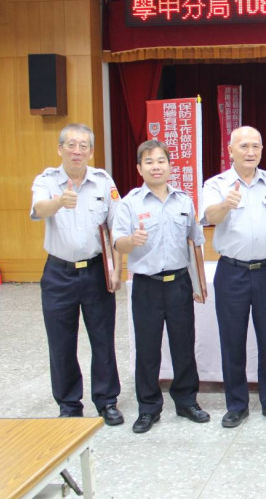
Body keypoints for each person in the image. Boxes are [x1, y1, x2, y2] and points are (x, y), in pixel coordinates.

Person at [201, 126, 266, 428]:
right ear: (230, 150)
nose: (250, 151)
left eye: (256, 146)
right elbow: (209, 217)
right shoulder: (216, 184)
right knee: (232, 341)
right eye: (243, 146)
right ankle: (236, 405)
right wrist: (225, 204)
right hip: (231, 272)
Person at [113, 139, 209, 433]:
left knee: (184, 345)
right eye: (149, 162)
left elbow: (195, 243)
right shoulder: (129, 203)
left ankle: (186, 401)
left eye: (161, 161)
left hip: (179, 283)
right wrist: (132, 241)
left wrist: (198, 284)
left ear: (169, 166)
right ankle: (148, 408)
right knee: (147, 349)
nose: (156, 167)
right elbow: (117, 243)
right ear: (139, 168)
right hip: (147, 286)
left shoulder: (184, 201)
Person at [30, 123, 123, 425]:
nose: (77, 151)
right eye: (71, 145)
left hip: (96, 271)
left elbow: (117, 226)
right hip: (59, 273)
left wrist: (117, 269)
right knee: (61, 343)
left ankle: (106, 401)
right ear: (60, 149)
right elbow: (38, 209)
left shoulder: (103, 181)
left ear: (91, 152)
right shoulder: (46, 180)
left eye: (83, 146)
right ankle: (69, 404)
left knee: (103, 339)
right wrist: (59, 202)